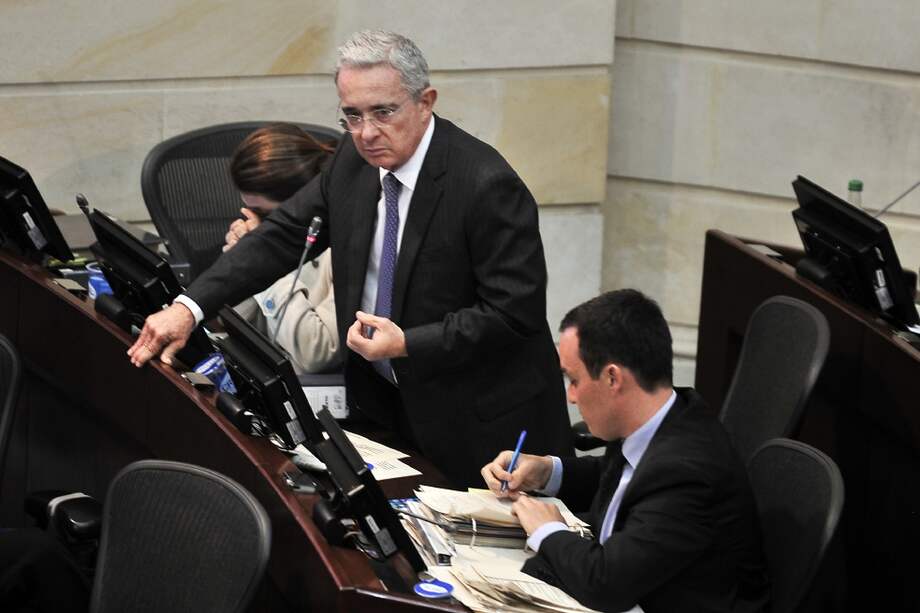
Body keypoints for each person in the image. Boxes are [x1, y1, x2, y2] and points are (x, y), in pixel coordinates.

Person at [127, 30, 573, 487]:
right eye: (352, 116)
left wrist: (407, 343)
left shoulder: (484, 184)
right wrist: (189, 308)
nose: (367, 133)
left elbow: (513, 314)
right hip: (386, 407)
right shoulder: (353, 160)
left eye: (383, 112)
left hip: (481, 425)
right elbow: (280, 236)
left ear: (425, 101)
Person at [481, 289, 770, 613]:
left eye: (573, 380)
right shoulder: (664, 417)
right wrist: (547, 471)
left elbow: (606, 585)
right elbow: (624, 478)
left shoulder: (687, 472)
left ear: (612, 378)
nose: (571, 396)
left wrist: (547, 531)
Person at [225, 123, 341, 374]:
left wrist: (266, 258)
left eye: (264, 214)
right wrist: (243, 262)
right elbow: (235, 329)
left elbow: (317, 352)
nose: (256, 222)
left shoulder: (345, 243)